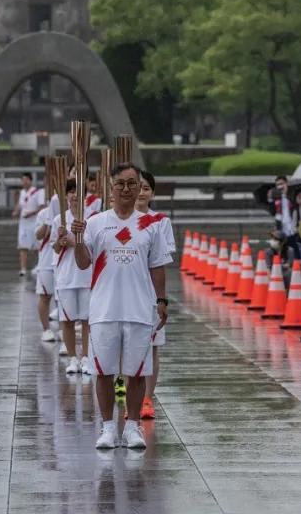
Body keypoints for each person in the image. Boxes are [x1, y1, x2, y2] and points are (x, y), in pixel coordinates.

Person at [72, 163, 170, 450]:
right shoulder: (96, 223)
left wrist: (162, 300)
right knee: (103, 371)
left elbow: (158, 266)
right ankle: (107, 428)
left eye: (132, 183)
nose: (126, 189)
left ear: (140, 187)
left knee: (137, 372)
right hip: (104, 308)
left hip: (140, 308)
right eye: (120, 184)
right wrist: (78, 239)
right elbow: (82, 262)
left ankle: (132, 427)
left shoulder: (151, 224)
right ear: (111, 187)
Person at [134, 169, 174, 420]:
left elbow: (164, 257)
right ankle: (123, 387)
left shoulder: (160, 221)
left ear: (152, 193)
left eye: (146, 188)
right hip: (126, 292)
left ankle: (147, 398)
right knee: (123, 346)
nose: (140, 192)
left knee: (153, 347)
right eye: (136, 187)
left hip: (150, 293)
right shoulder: (115, 220)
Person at [52, 180, 94, 375]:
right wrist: (60, 239)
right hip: (66, 276)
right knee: (67, 320)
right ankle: (72, 359)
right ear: (66, 196)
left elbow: (91, 245)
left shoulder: (92, 219)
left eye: (78, 192)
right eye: (70, 192)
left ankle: (86, 357)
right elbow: (55, 248)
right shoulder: (59, 220)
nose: (74, 195)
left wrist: (73, 240)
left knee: (87, 319)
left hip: (86, 276)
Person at [33, 205, 57, 342]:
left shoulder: (72, 213)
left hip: (64, 262)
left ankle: (63, 331)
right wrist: (48, 221)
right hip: (47, 260)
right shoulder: (44, 213)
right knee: (45, 296)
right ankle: (46, 329)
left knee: (63, 300)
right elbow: (38, 235)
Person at [13, 173, 44, 277]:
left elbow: (41, 207)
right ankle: (23, 269)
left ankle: (39, 265)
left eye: (26, 180)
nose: (24, 182)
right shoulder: (22, 192)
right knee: (23, 246)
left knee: (36, 247)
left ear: (31, 180)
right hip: (23, 224)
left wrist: (31, 213)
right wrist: (16, 212)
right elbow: (19, 206)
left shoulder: (38, 192)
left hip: (34, 223)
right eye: (23, 180)